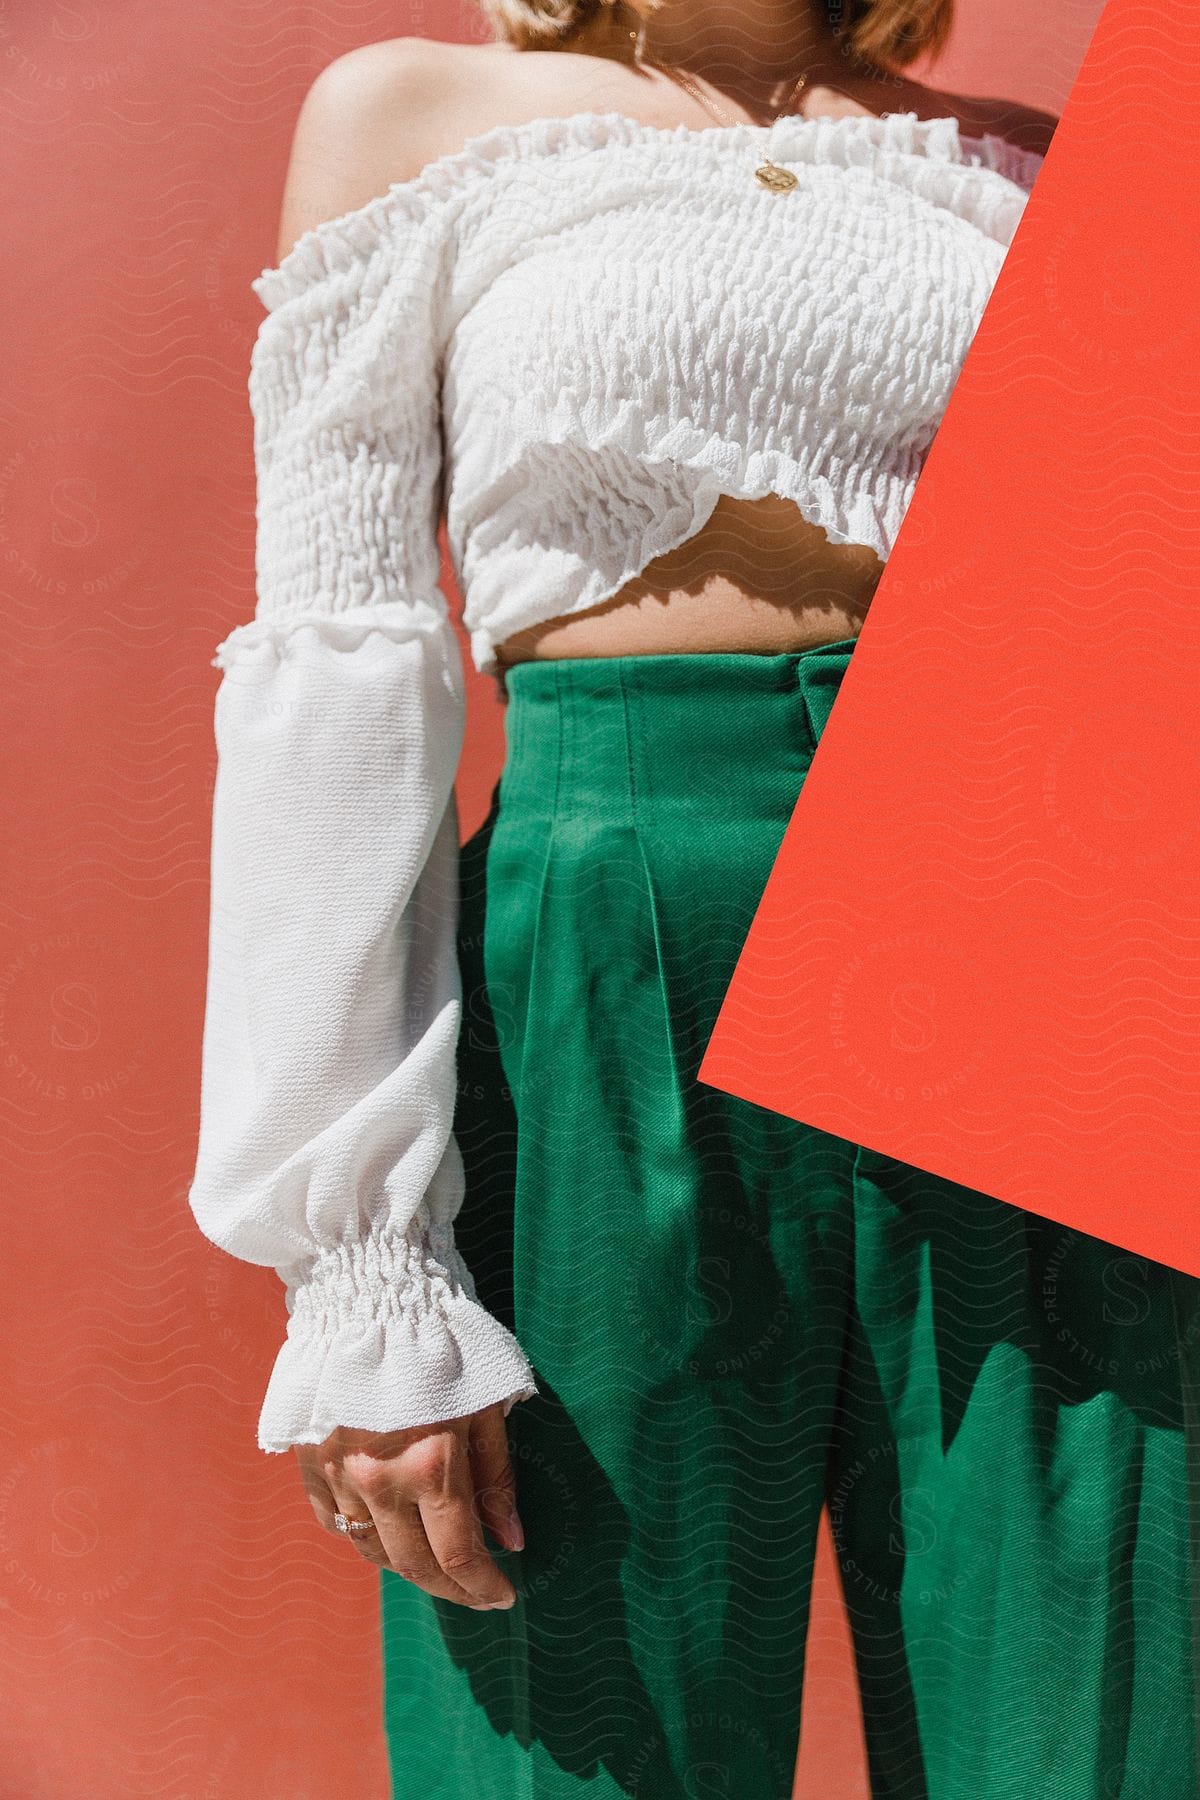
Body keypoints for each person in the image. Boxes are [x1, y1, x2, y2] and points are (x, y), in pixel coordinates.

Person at [188, 2, 1200, 1794]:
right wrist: (356, 1267)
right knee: (595, 1725)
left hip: (1030, 916)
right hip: (611, 911)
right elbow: (339, 670)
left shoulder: (1027, 158)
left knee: (1088, 1709)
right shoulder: (420, 118)